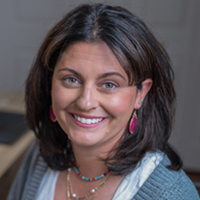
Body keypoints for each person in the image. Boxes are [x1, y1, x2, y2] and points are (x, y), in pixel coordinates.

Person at [7, 3, 199, 200]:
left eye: (109, 84)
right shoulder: (41, 154)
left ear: (141, 93)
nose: (85, 102)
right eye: (71, 80)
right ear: (50, 84)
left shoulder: (171, 194)